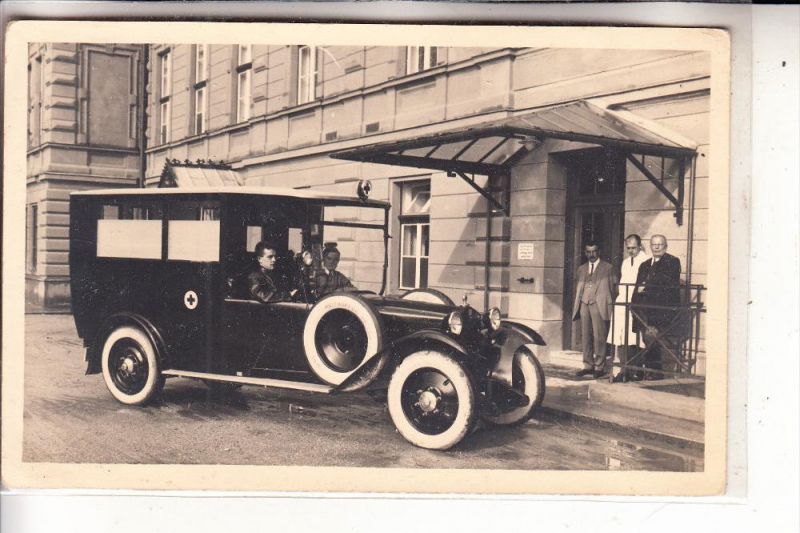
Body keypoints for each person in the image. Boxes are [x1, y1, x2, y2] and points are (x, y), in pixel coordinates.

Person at [633, 234, 682, 380]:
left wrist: (646, 287)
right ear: (650, 246)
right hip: (643, 310)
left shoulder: (672, 262)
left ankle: (654, 372)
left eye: (660, 244)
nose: (657, 247)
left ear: (665, 246)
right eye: (654, 244)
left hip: (661, 311)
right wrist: (633, 305)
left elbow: (665, 284)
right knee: (647, 337)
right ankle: (650, 370)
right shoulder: (645, 265)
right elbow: (637, 287)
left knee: (651, 337)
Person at [572, 241, 618, 379]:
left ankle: (599, 366)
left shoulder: (608, 268)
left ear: (599, 252)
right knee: (586, 335)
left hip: (599, 305)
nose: (591, 254)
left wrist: (607, 302)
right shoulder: (581, 268)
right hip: (584, 304)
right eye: (588, 251)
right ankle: (587, 365)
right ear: (585, 253)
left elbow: (614, 288)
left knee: (599, 336)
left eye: (594, 251)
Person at [609, 234, 650, 382]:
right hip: (622, 303)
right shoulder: (626, 262)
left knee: (636, 337)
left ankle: (636, 370)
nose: (631, 251)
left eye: (633, 248)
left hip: (636, 304)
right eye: (628, 248)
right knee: (620, 336)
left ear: (640, 246)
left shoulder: (646, 261)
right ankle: (622, 370)